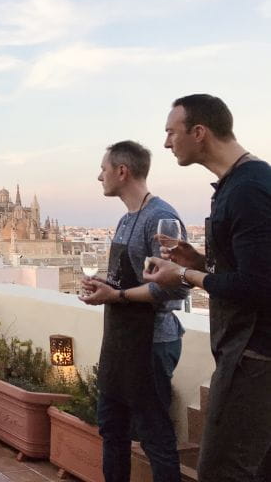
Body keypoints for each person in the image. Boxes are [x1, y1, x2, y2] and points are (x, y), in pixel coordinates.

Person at [144, 94, 271, 481]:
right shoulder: (244, 182)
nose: (166, 143)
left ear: (199, 132)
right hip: (248, 356)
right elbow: (248, 267)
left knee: (223, 470)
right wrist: (198, 261)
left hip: (254, 359)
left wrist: (182, 277)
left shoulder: (248, 189)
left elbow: (258, 285)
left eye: (171, 132)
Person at [79, 141, 187, 482]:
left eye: (104, 168)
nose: (99, 176)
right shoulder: (127, 219)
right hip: (120, 345)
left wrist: (118, 294)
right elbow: (126, 281)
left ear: (122, 171)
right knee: (112, 431)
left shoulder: (161, 218)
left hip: (151, 345)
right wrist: (105, 285)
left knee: (156, 439)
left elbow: (176, 288)